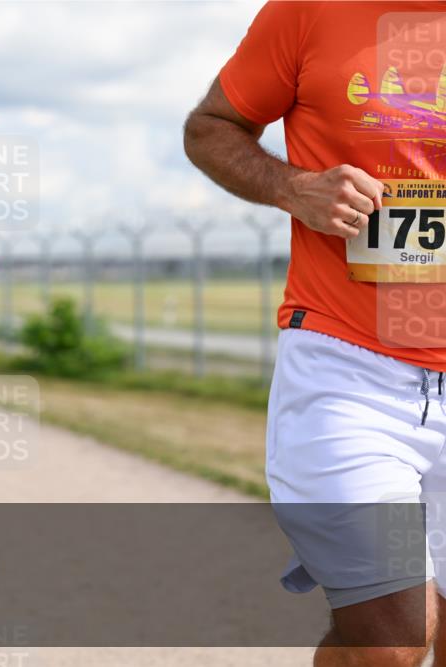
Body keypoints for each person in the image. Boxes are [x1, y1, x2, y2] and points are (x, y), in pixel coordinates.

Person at [184, 3, 445, 665]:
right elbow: (209, 128)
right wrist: (293, 186)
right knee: (395, 637)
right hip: (350, 371)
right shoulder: (310, 11)